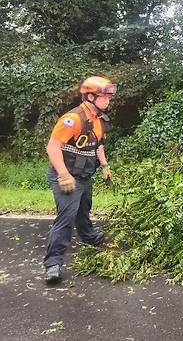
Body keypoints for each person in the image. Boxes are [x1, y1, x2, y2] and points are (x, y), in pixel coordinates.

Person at [43, 76, 116, 284]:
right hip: (66, 176)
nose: (108, 101)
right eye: (104, 97)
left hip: (84, 176)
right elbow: (53, 147)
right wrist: (63, 175)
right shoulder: (73, 119)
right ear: (90, 97)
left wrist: (105, 166)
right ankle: (53, 263)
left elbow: (98, 145)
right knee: (66, 217)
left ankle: (89, 236)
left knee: (84, 208)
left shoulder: (99, 120)